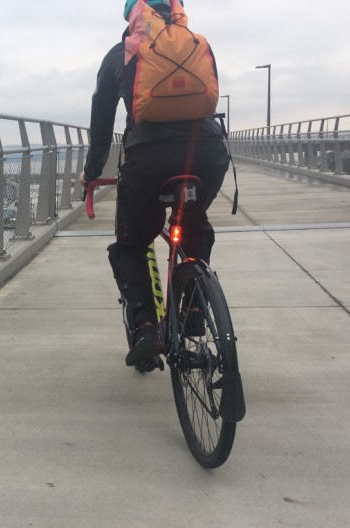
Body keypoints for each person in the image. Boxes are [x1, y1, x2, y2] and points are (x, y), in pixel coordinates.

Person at [79, 0, 230, 367]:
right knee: (192, 220)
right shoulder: (196, 44)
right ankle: (194, 307)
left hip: (148, 159)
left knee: (131, 243)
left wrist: (91, 172)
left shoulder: (120, 54)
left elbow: (101, 126)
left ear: (133, 18)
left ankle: (146, 327)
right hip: (207, 152)